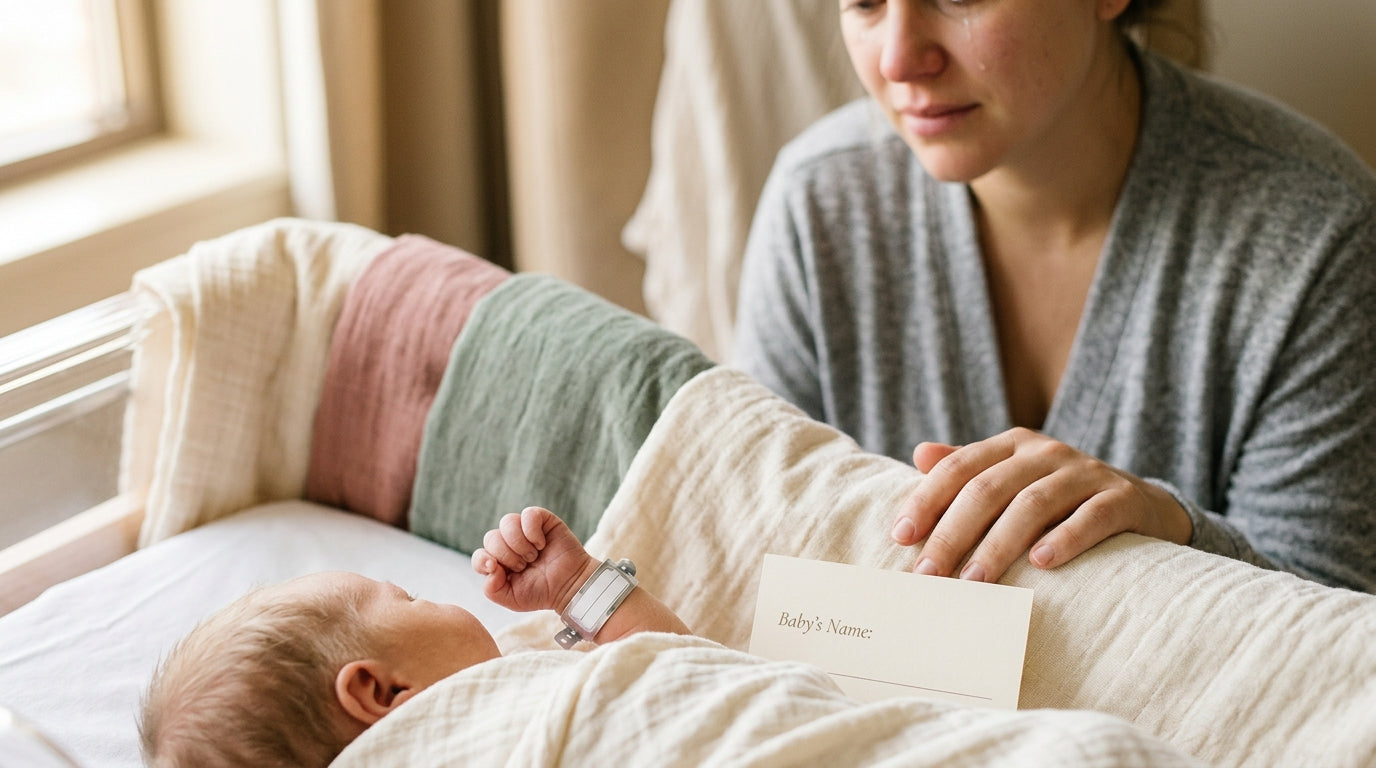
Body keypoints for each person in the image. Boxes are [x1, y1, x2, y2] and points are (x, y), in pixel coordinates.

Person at [732, 0, 1376, 591]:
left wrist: (1173, 530)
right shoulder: (818, 207)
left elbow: (1336, 641)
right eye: (865, 1)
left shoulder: (1317, 234)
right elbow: (758, 555)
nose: (898, 59)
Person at [136, 506, 690, 767]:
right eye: (408, 600)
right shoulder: (512, 711)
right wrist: (577, 585)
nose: (424, 596)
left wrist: (575, 586)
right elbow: (679, 675)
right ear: (383, 692)